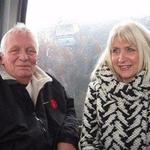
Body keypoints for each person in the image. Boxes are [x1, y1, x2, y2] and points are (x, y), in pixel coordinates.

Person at [0, 23, 79, 150]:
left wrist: (67, 139)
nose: (24, 57)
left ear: (37, 56)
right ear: (1, 58)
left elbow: (68, 108)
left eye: (30, 51)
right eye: (15, 50)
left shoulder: (48, 82)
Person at [79, 20, 150, 149]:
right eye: (115, 51)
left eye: (130, 49)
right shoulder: (96, 89)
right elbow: (88, 141)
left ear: (144, 51)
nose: (121, 58)